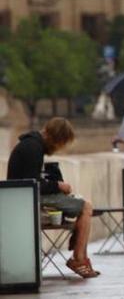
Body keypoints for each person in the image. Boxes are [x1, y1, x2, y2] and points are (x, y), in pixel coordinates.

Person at [6, 118, 100, 278]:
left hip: (24, 201)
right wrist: (58, 186)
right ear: (54, 138)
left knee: (83, 206)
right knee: (85, 206)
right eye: (59, 144)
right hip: (27, 204)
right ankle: (78, 259)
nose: (57, 149)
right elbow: (33, 184)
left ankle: (78, 252)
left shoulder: (31, 145)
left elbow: (33, 181)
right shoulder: (33, 148)